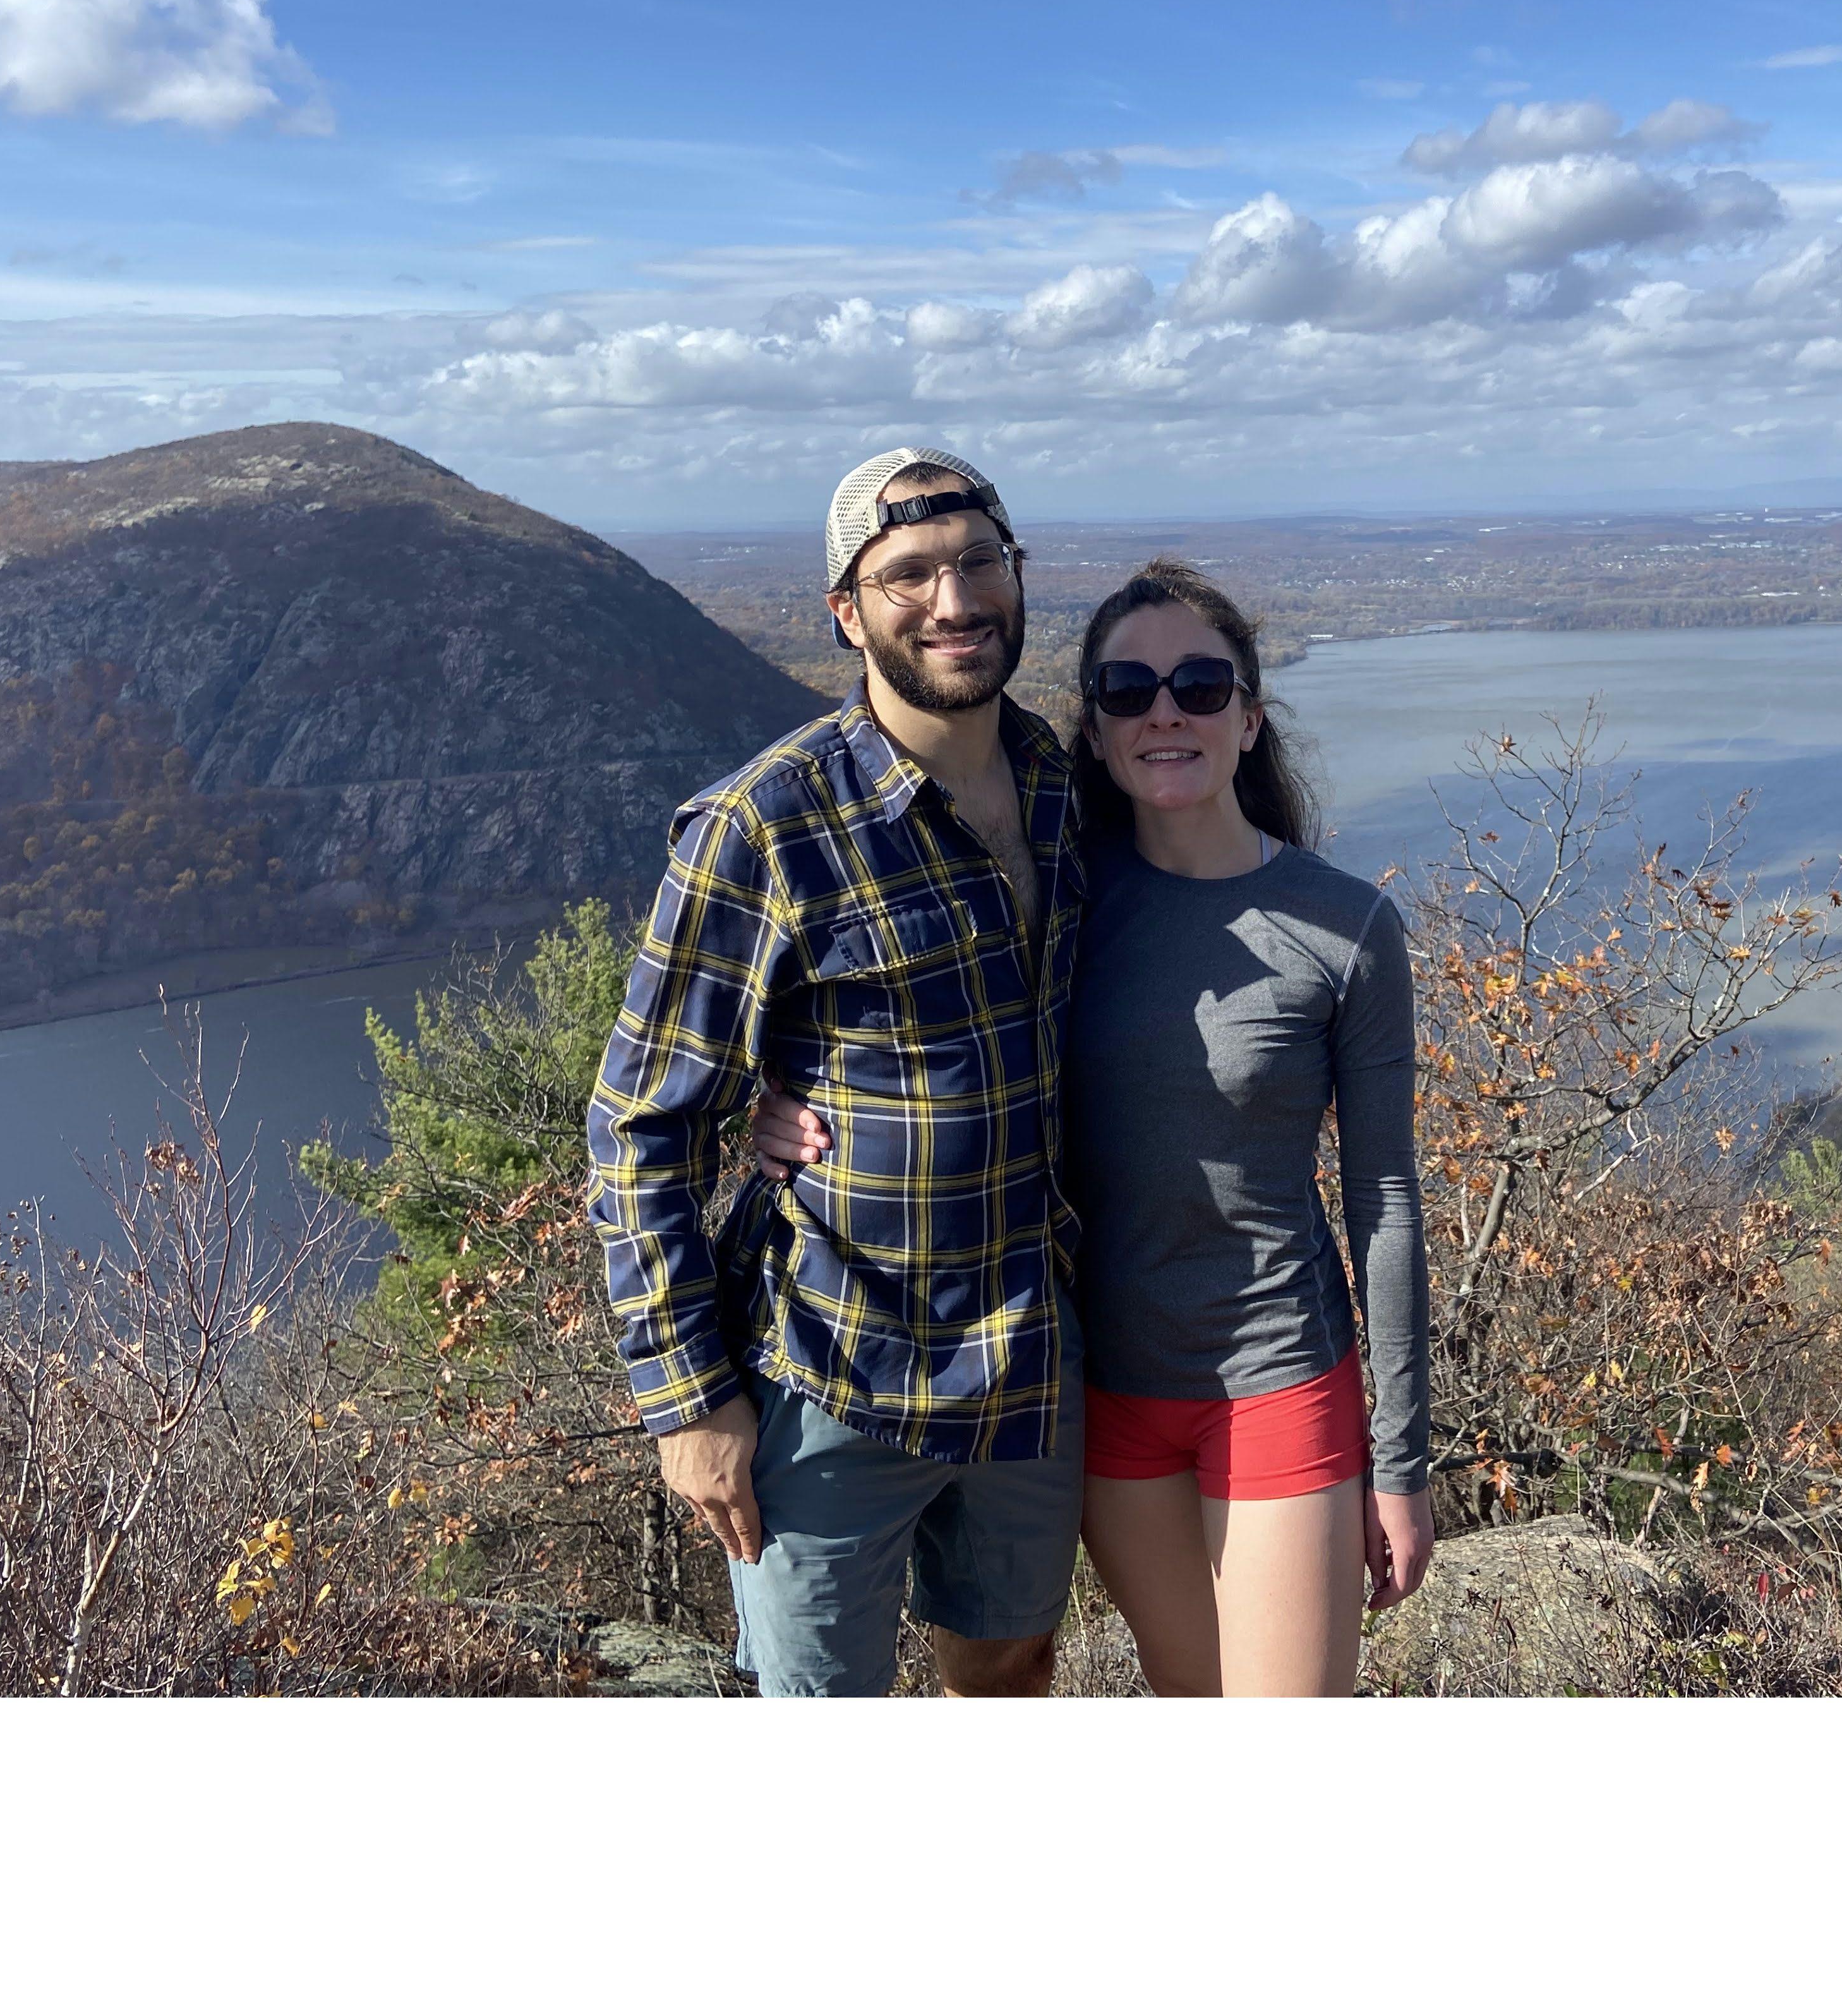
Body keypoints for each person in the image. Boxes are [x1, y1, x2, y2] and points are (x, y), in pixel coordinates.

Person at [754, 557, 1433, 1694]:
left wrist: (1402, 1465)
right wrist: (777, 1106)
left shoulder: (1346, 927)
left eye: (1201, 686)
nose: (1164, 710)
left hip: (1278, 1376)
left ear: (1252, 717)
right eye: (1127, 689)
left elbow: (1388, 1205)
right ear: (1099, 727)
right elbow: (911, 1032)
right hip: (1099, 1392)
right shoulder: (1054, 899)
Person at [586, 445, 1087, 1698]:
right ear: (848, 612)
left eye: (979, 562)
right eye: (909, 573)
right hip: (835, 1376)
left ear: (1017, 578)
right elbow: (639, 1127)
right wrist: (689, 1405)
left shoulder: (1069, 791)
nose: (955, 599)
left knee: (1012, 1673)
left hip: (1033, 1364)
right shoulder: (765, 828)